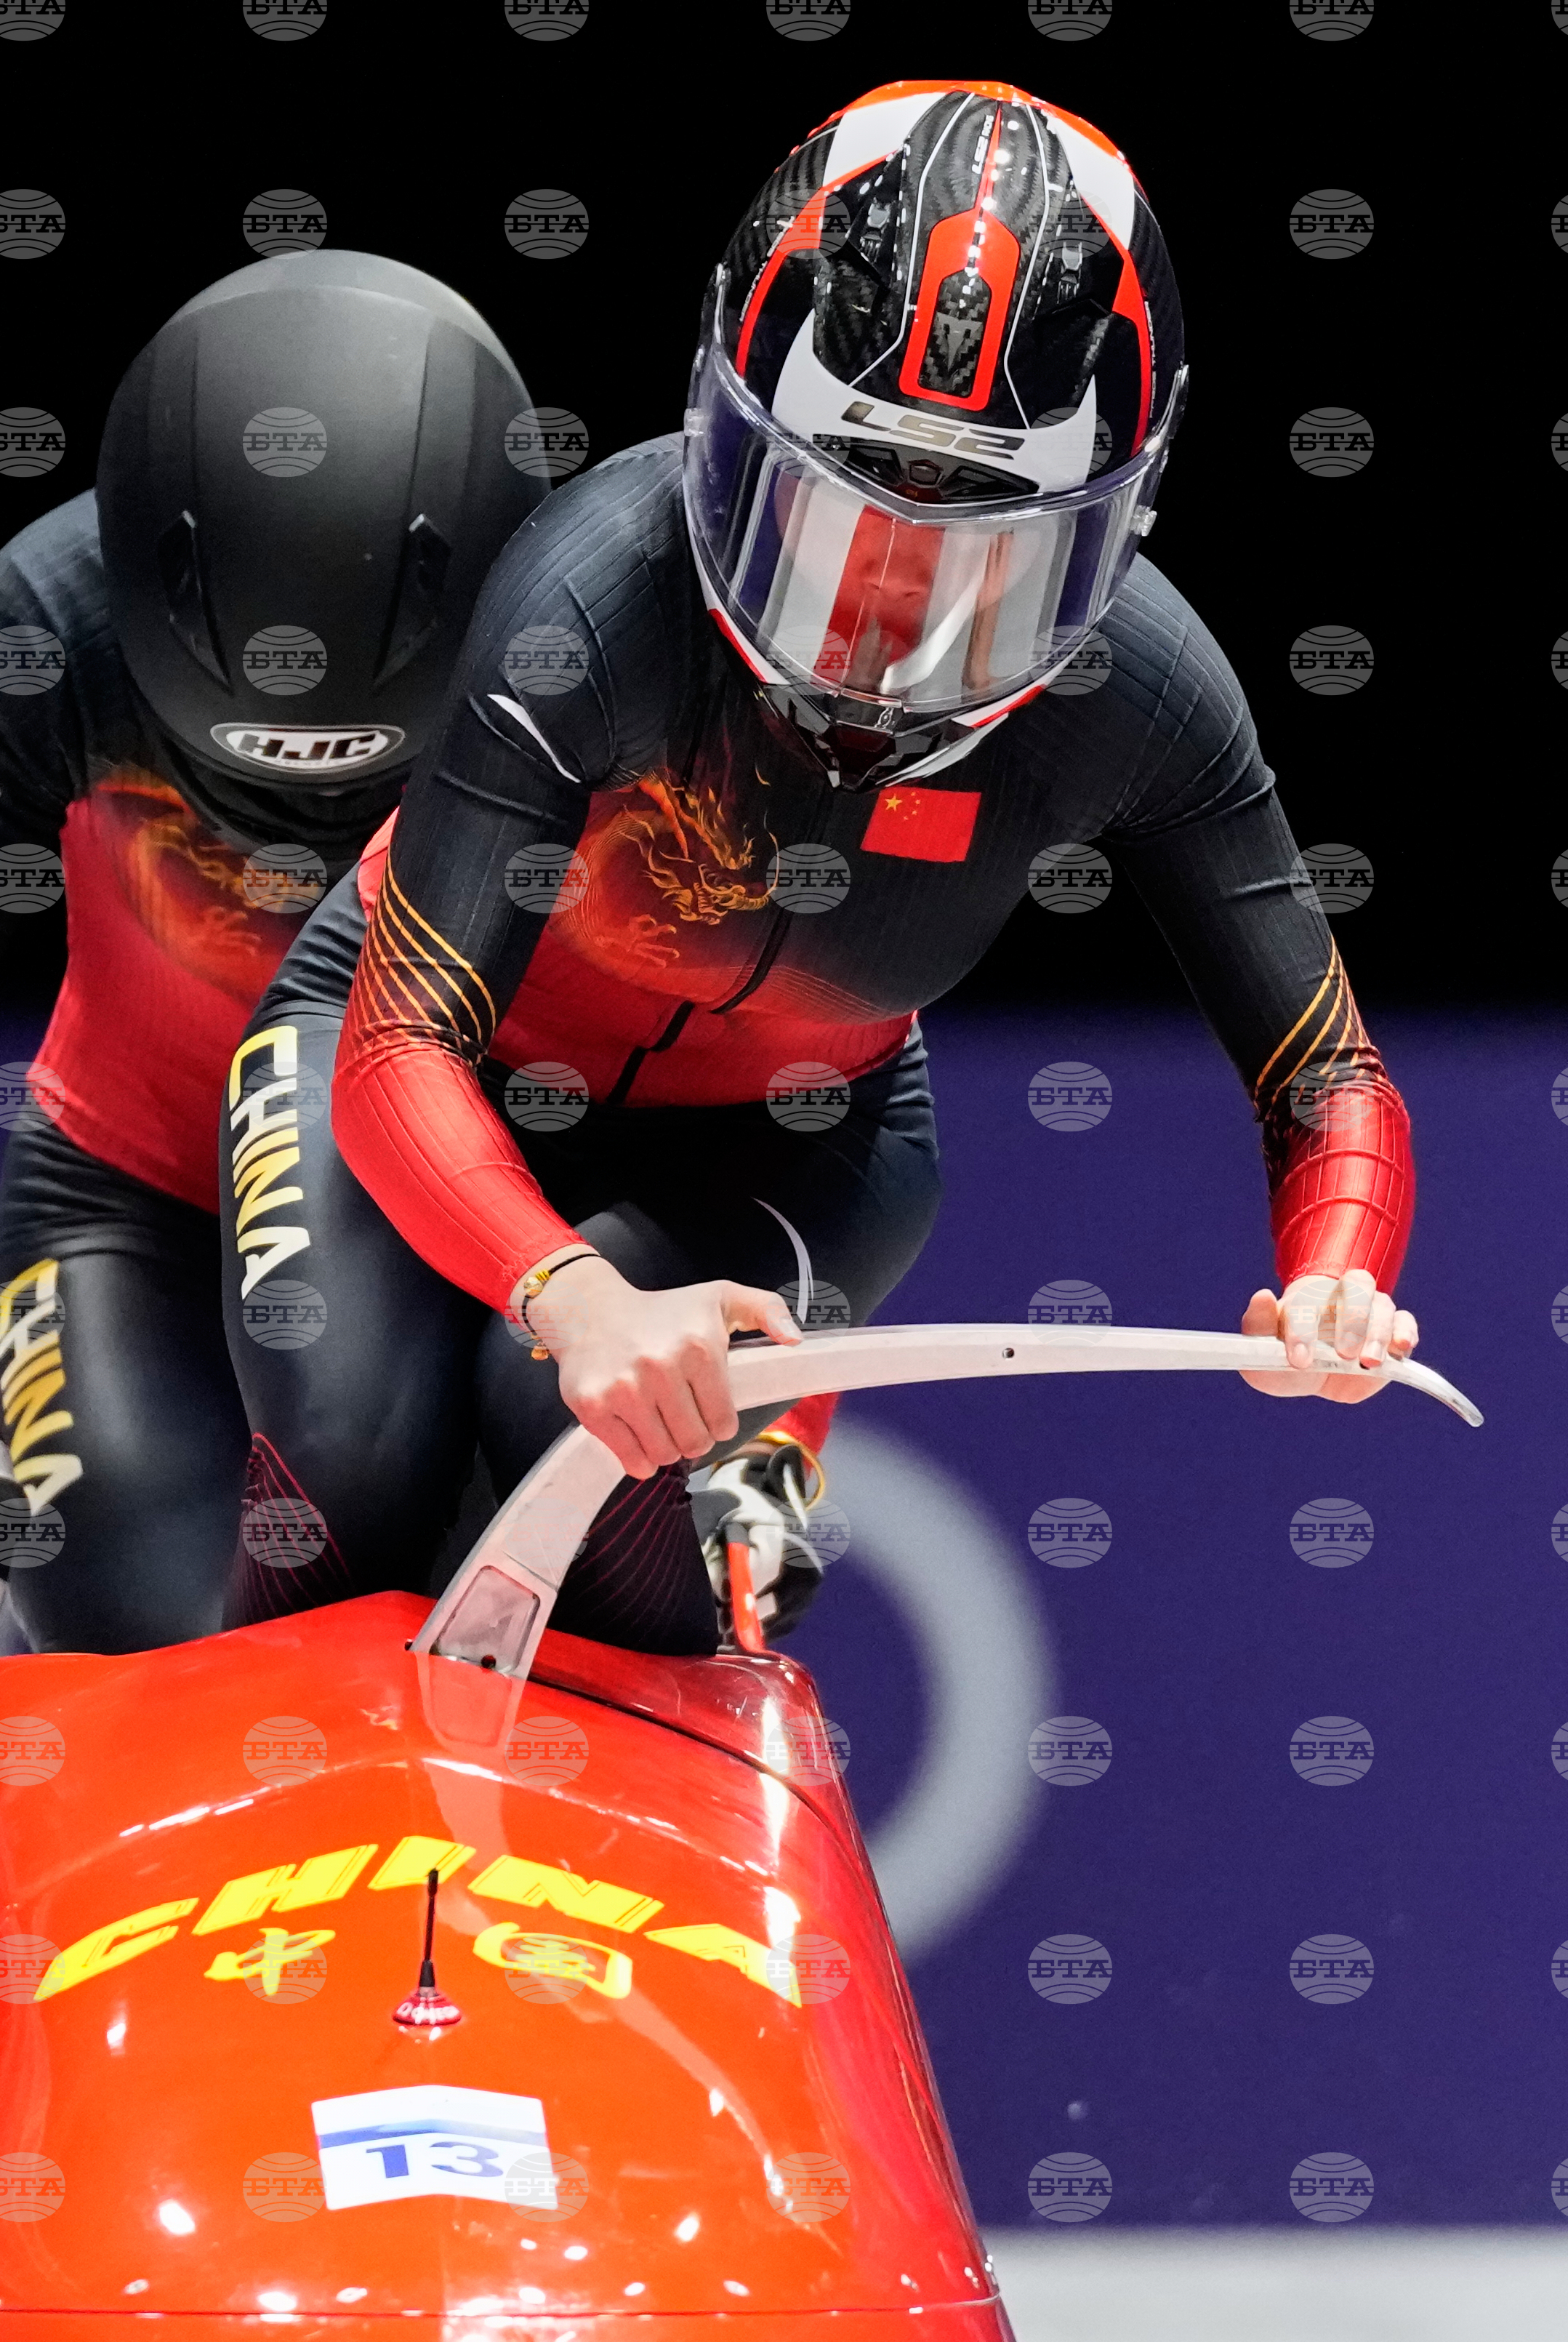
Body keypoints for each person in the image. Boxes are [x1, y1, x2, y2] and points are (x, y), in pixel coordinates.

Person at [219, 79, 1419, 1656]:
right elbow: (391, 1051)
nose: (888, 630)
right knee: (351, 1444)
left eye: (984, 554)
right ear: (724, 435)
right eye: (836, 523)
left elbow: (1323, 1072)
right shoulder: (584, 597)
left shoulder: (1146, 689)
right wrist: (570, 1294)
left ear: (1109, 537)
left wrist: (1332, 1277)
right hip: (412, 1044)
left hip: (788, 1137)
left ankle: (672, 1691)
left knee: (598, 1451)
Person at [0, 251, 539, 1648]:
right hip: (128, 1214)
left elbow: (793, 1072)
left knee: (527, 1620)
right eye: (245, 779)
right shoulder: (44, 625)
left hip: (457, 1231)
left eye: (356, 781)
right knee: (157, 1652)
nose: (304, 820)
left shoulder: (580, 628)